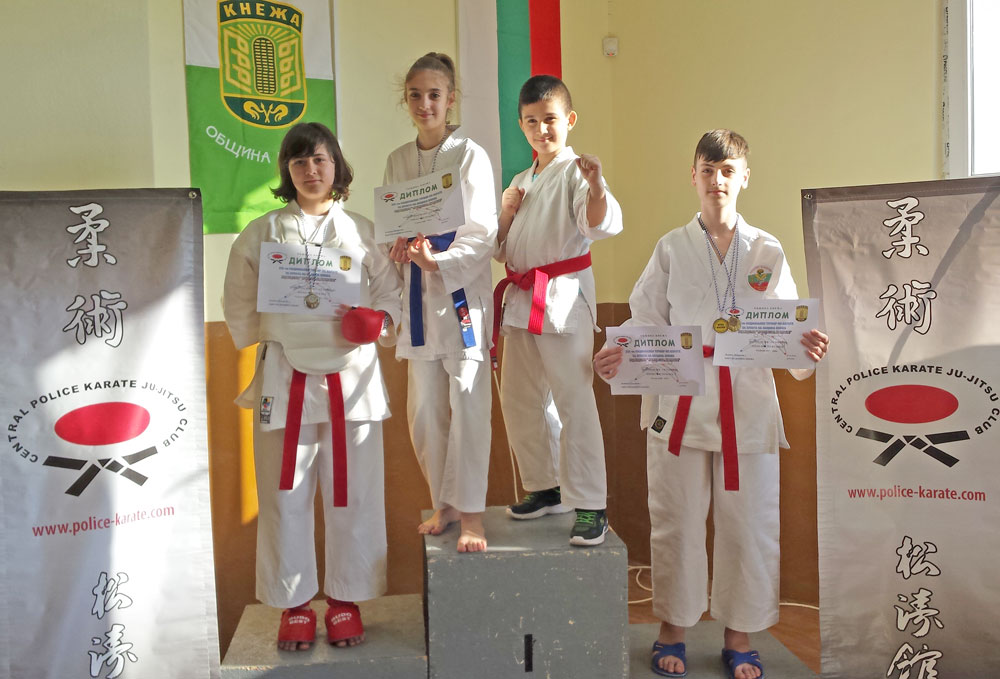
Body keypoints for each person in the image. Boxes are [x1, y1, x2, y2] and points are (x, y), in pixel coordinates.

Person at [593, 130, 829, 679]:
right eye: (707, 170)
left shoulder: (767, 249)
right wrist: (618, 355)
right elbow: (645, 319)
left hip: (747, 405)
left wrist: (807, 349)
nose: (717, 180)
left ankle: (739, 634)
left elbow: (788, 331)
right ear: (693, 176)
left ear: (744, 176)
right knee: (675, 520)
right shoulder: (672, 248)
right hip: (680, 404)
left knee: (749, 524)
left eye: (727, 170)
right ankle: (673, 628)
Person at [223, 122, 401, 651]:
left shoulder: (363, 231)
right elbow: (238, 300)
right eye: (299, 161)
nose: (310, 170)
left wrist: (378, 322)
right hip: (285, 374)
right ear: (287, 170)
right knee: (285, 493)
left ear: (336, 166)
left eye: (320, 159)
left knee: (354, 492)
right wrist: (269, 332)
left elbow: (390, 294)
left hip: (353, 376)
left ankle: (346, 600)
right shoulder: (261, 233)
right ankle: (295, 605)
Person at [494, 74, 623, 546]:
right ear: (521, 125)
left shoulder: (577, 172)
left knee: (573, 401)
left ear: (569, 120)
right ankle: (545, 486)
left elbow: (599, 224)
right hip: (521, 299)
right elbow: (501, 248)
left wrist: (597, 187)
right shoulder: (521, 180)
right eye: (531, 121)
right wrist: (506, 213)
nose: (541, 130)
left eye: (549, 119)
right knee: (519, 399)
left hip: (563, 299)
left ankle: (590, 504)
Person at [384, 53, 498, 553]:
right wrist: (395, 249)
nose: (425, 104)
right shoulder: (397, 161)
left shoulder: (471, 156)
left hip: (460, 299)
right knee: (425, 412)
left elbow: (484, 232)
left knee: (469, 407)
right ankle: (444, 502)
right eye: (416, 95)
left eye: (435, 95)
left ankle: (471, 514)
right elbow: (390, 225)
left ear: (451, 99)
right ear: (405, 100)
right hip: (417, 299)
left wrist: (441, 261)